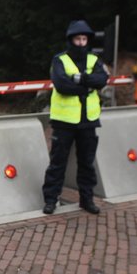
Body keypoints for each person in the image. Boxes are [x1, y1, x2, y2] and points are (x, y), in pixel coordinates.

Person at [41, 20, 109, 215]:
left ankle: (86, 200)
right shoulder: (59, 60)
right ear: (71, 40)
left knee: (87, 163)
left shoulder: (94, 59)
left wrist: (80, 79)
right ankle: (51, 200)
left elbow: (102, 80)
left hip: (88, 121)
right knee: (57, 162)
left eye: (84, 39)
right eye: (78, 39)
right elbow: (62, 85)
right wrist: (88, 85)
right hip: (64, 122)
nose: (81, 42)